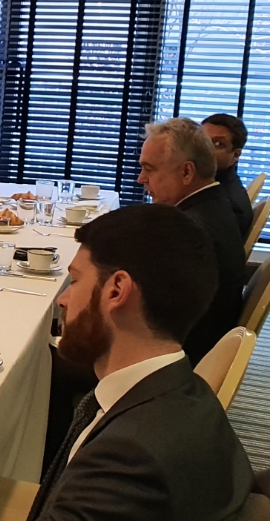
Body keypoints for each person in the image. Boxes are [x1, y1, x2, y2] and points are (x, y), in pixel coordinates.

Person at [29, 203, 253, 520]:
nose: (62, 300)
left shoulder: (126, 457)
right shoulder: (187, 392)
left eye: (75, 281)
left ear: (117, 290)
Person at [137, 117, 246, 364]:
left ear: (186, 172)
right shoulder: (215, 206)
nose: (141, 179)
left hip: (174, 361)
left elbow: (151, 313)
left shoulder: (190, 232)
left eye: (149, 169)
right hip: (195, 343)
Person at [202, 114, 253, 238]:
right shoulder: (207, 186)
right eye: (202, 140)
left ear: (235, 155)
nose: (204, 149)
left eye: (218, 144)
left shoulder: (227, 207)